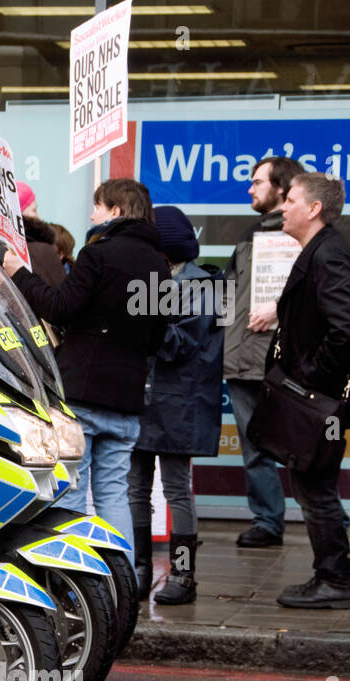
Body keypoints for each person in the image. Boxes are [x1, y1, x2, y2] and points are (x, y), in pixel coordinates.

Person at [2, 178, 171, 548]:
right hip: (127, 400)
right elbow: (157, 338)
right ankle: (119, 584)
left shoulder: (99, 254)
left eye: (97, 206)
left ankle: (79, 586)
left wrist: (19, 273)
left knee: (73, 494)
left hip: (83, 394)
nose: (91, 214)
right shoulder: (159, 266)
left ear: (116, 211)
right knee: (113, 495)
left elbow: (60, 307)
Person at [264, 173, 350, 609]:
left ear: (313, 209)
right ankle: (331, 574)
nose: (282, 207)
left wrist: (309, 378)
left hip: (322, 403)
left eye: (290, 200)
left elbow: (349, 330)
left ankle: (336, 578)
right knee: (313, 486)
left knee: (316, 488)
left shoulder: (329, 255)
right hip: (317, 400)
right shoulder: (320, 251)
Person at [128, 206, 224, 605]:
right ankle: (139, 569)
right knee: (135, 490)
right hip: (141, 397)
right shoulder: (156, 281)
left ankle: (184, 575)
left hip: (180, 403)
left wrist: (140, 321)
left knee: (176, 491)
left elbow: (180, 346)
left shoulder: (207, 286)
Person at [225, 156, 303, 549]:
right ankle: (268, 521)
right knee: (254, 447)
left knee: (304, 445)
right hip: (242, 361)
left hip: (286, 362)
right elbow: (229, 294)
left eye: (258, 182)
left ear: (281, 188)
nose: (250, 189)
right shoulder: (247, 234)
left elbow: (324, 296)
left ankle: (327, 520)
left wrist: (280, 309)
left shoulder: (308, 237)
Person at [0, 181, 66, 288]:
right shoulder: (42, 251)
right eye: (34, 210)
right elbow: (60, 300)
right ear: (17, 215)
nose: (38, 217)